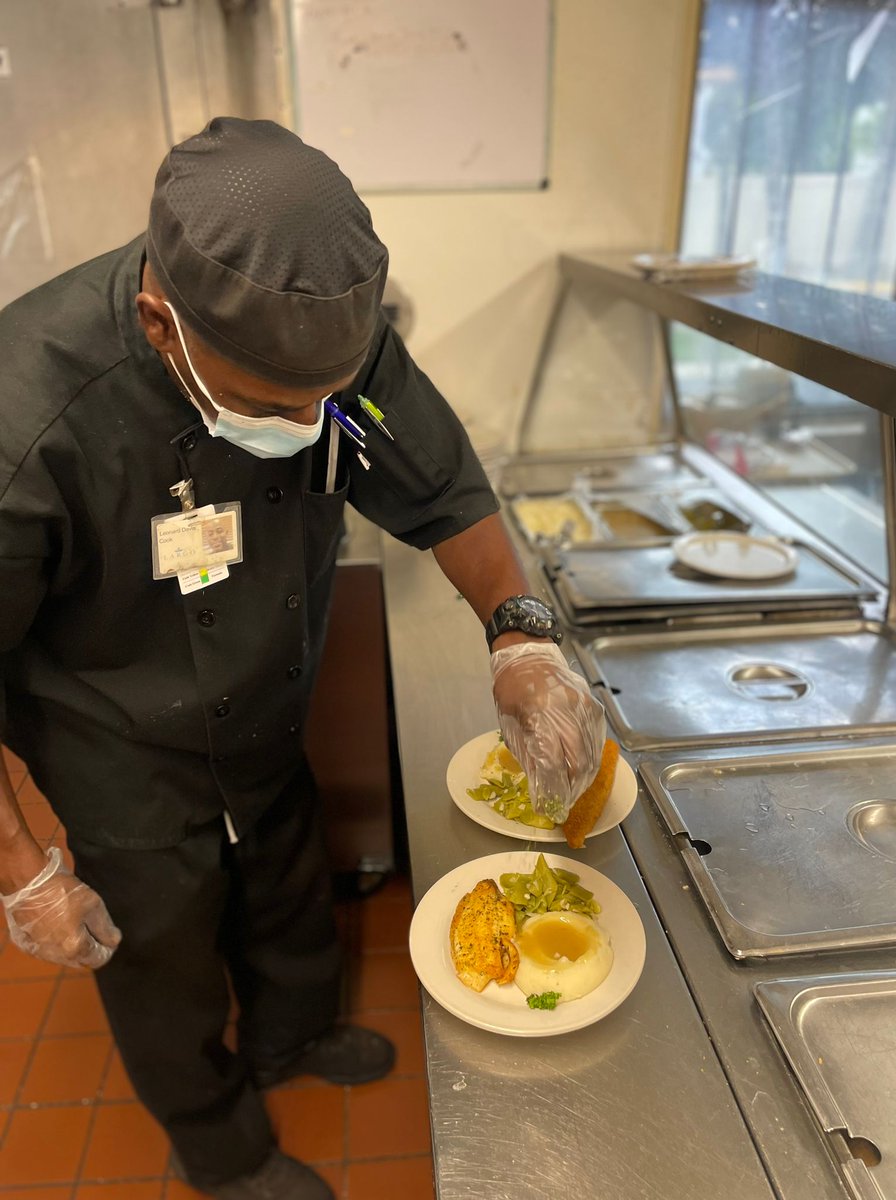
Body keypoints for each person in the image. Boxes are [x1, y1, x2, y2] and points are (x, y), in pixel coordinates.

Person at [0, 118, 605, 1200]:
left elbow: (441, 484)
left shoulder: (334, 359)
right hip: (118, 748)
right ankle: (221, 1149)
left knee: (287, 883)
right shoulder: (28, 415)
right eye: (276, 409)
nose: (316, 422)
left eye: (328, 399)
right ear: (160, 324)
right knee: (165, 962)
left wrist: (520, 634)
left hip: (267, 706)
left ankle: (293, 1036)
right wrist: (25, 871)